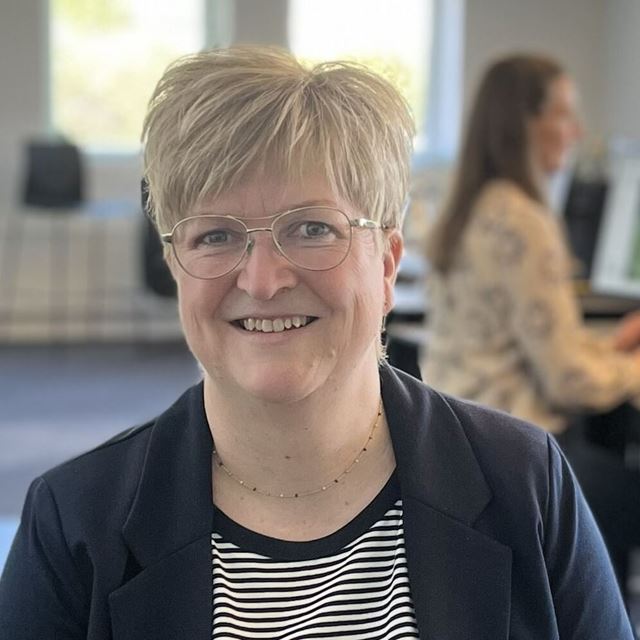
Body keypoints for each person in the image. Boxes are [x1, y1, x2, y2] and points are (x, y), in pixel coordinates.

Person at [0, 46, 634, 639]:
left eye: (311, 228)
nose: (262, 281)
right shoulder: (73, 524)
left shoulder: (527, 483)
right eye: (216, 235)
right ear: (175, 266)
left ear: (386, 264)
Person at [422, 52, 640, 601]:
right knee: (623, 486)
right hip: (513, 450)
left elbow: (524, 343)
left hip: (458, 435)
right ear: (525, 123)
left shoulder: (469, 207)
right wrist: (633, 369)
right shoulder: (524, 220)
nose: (577, 131)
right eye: (563, 114)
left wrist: (608, 350)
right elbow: (567, 380)